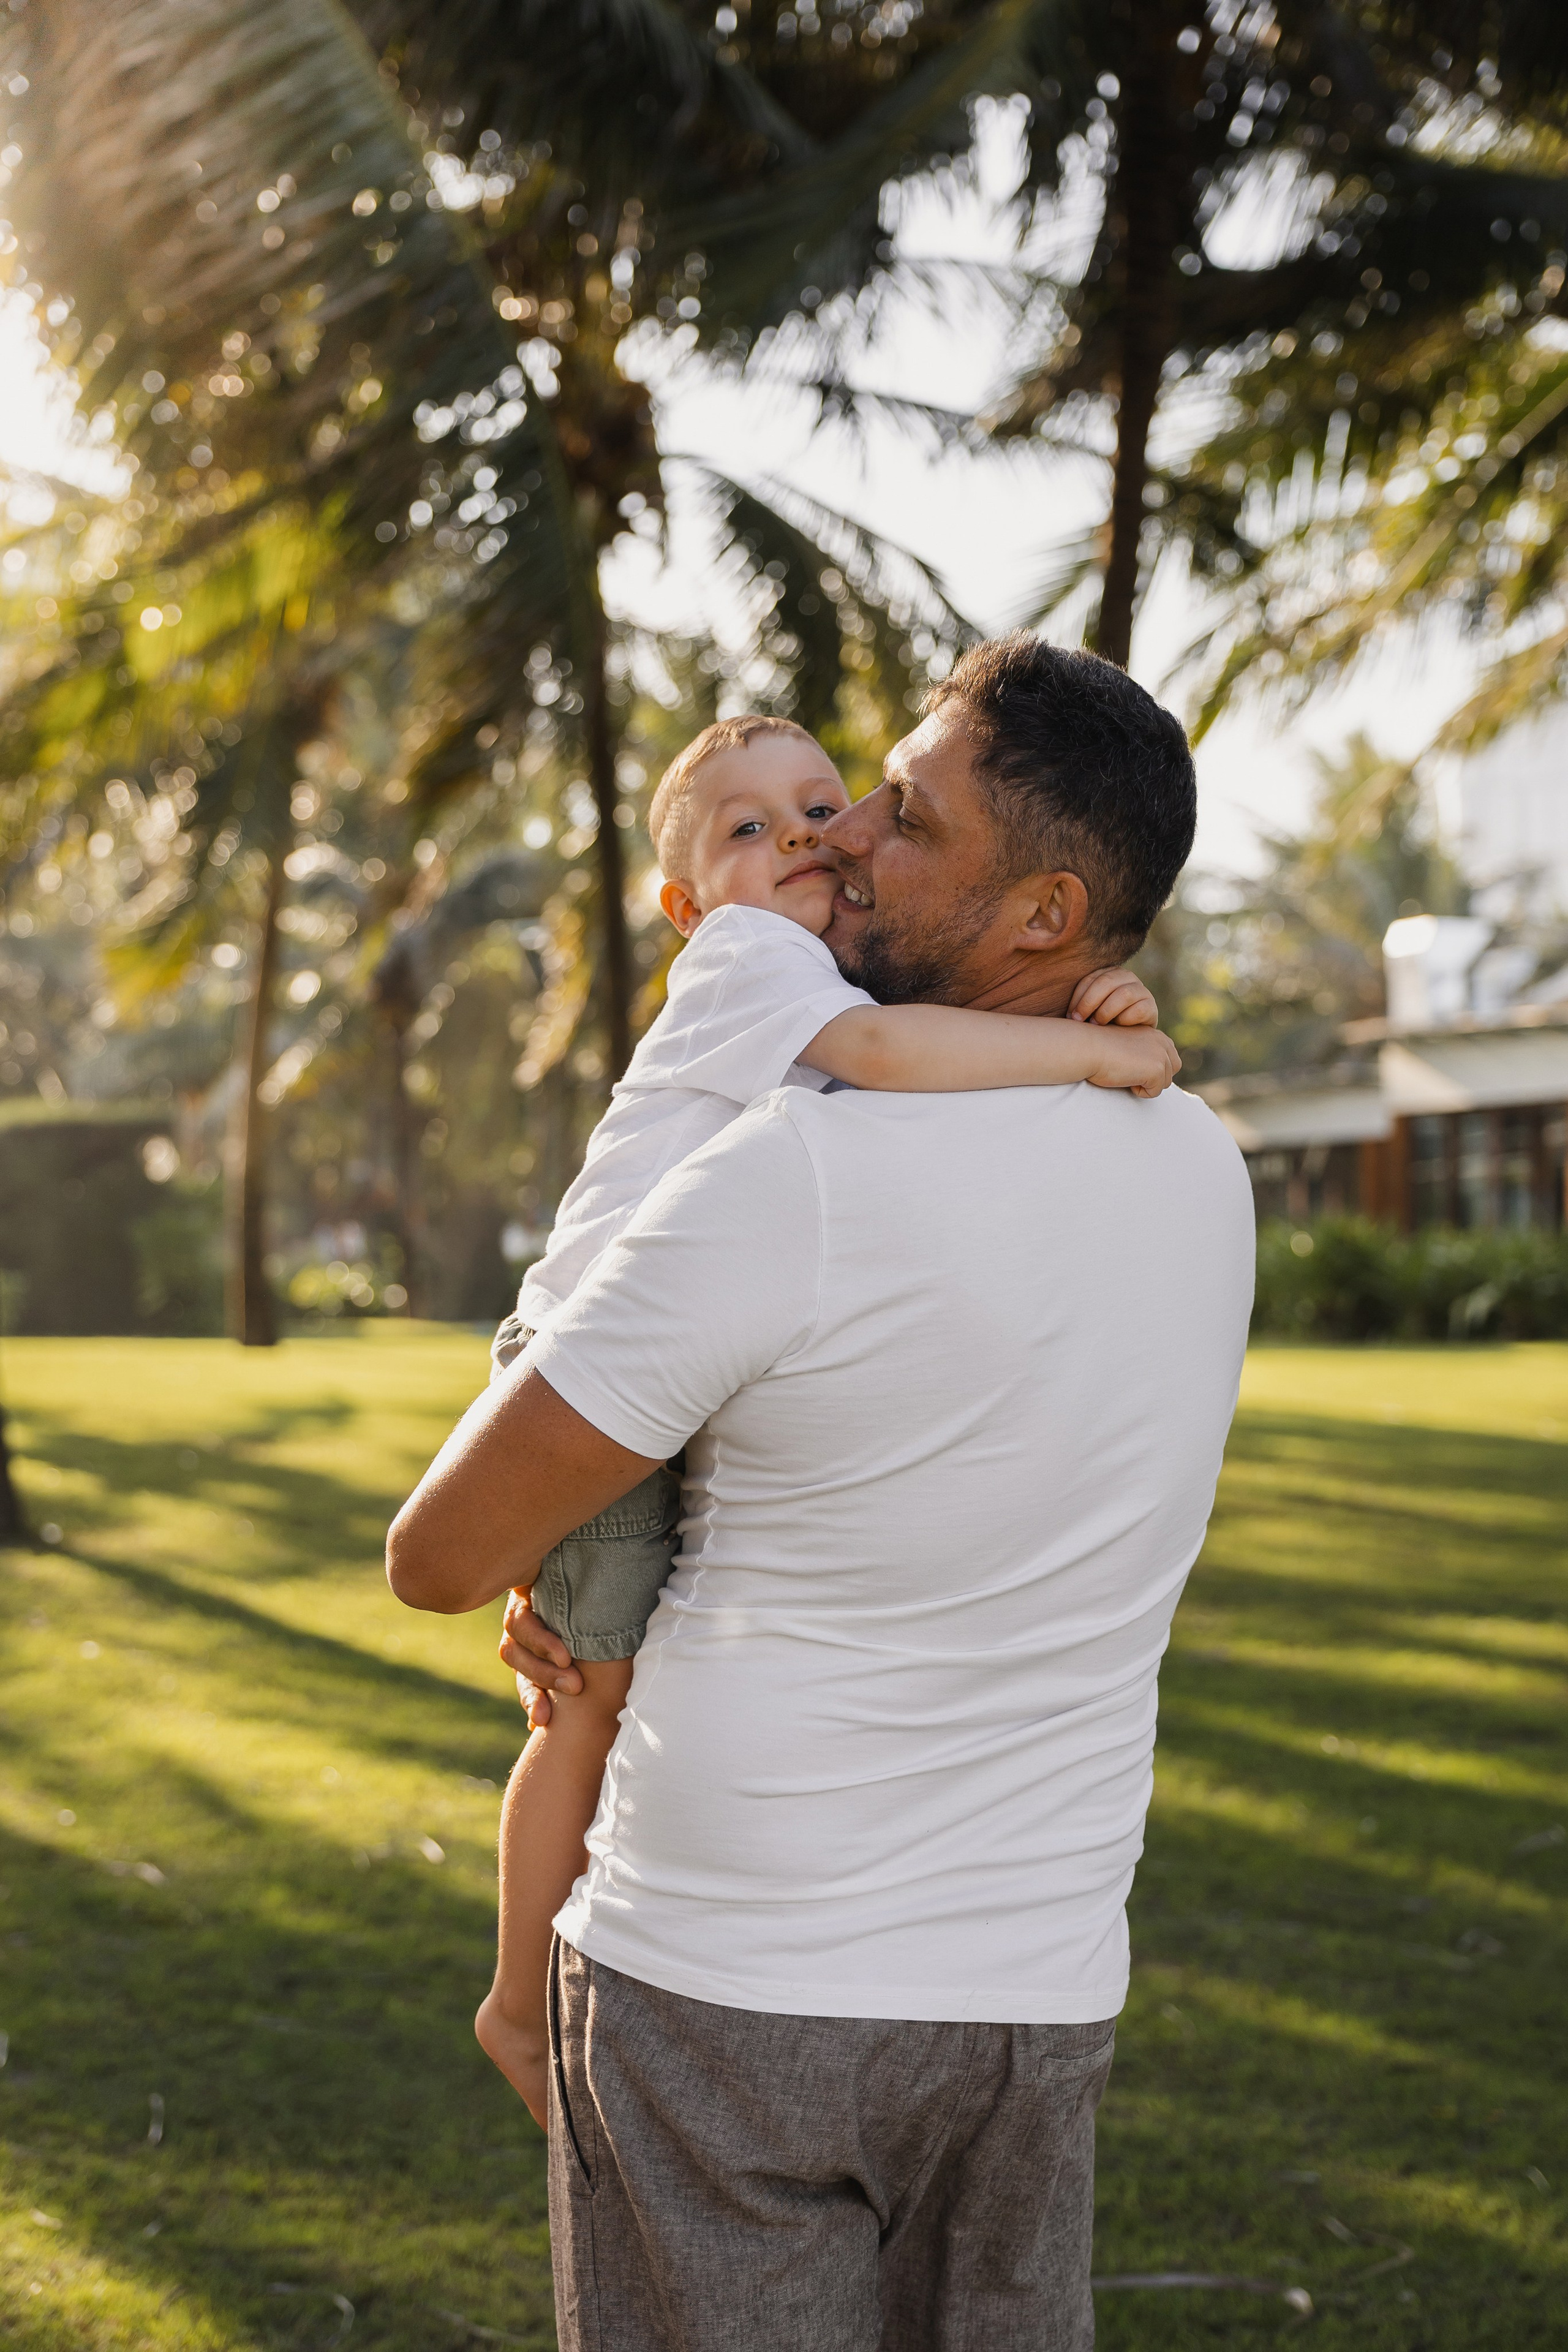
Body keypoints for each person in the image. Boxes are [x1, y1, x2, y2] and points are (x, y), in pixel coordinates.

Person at [388, 634, 1255, 2352]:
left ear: (1040, 915)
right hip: (1036, 2001)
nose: (845, 833)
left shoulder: (796, 1166)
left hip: (732, 1993)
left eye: (905, 816)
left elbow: (439, 1552)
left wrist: (562, 1544)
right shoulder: (1207, 1167)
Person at [475, 710, 1179, 2122]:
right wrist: (1087, 1056)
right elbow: (883, 1055)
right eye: (748, 830)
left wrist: (1101, 1005)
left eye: (818, 802)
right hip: (584, 1352)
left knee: (627, 1684)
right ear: (685, 907)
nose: (805, 836)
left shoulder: (805, 967)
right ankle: (515, 1997)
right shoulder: (749, 964)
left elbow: (917, 1050)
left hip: (670, 1376)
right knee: (585, 1702)